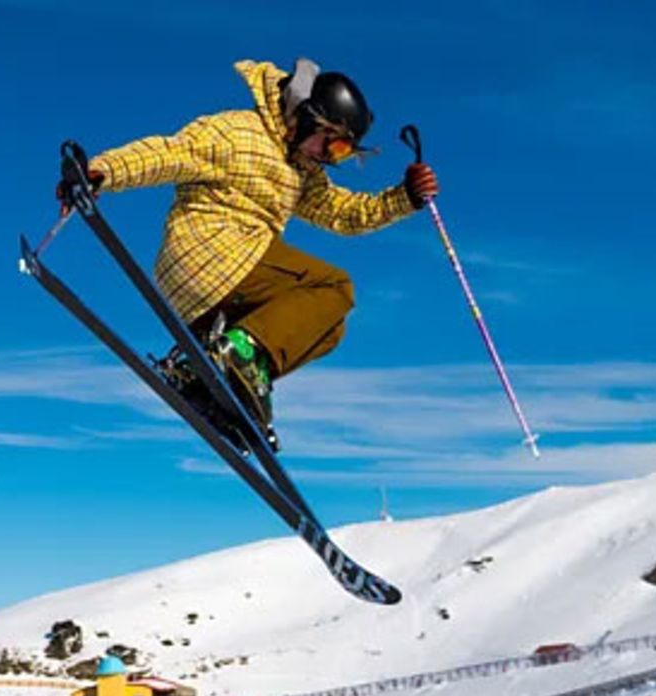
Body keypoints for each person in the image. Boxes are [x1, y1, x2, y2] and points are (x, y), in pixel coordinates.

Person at [58, 59, 439, 446]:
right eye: (335, 145)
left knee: (326, 327)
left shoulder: (301, 169)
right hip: (214, 251)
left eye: (341, 154)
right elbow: (169, 153)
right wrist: (100, 171)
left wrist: (404, 198)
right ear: (309, 118)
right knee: (334, 287)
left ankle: (208, 380)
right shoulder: (240, 132)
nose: (329, 157)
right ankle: (238, 354)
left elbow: (343, 214)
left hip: (197, 299)